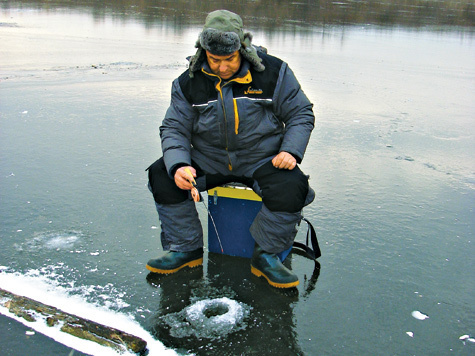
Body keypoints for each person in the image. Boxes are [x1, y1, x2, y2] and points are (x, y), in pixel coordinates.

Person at [146, 9, 315, 288]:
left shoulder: (274, 73)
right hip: (209, 160)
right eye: (214, 60)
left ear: (243, 50)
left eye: (229, 60)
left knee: (292, 186)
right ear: (203, 53)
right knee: (162, 174)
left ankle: (267, 256)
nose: (222, 68)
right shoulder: (188, 82)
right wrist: (179, 165)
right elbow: (174, 128)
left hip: (262, 159)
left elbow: (301, 114)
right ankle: (184, 249)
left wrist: (290, 150)